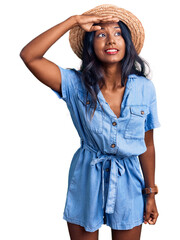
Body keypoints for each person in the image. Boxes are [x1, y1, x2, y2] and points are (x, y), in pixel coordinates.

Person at [20, 4, 161, 240]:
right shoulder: (74, 84)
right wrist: (73, 21)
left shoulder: (145, 88)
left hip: (129, 181)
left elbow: (148, 145)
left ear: (127, 43)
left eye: (117, 33)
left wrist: (151, 194)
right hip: (88, 175)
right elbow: (29, 55)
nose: (110, 41)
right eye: (101, 35)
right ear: (90, 45)